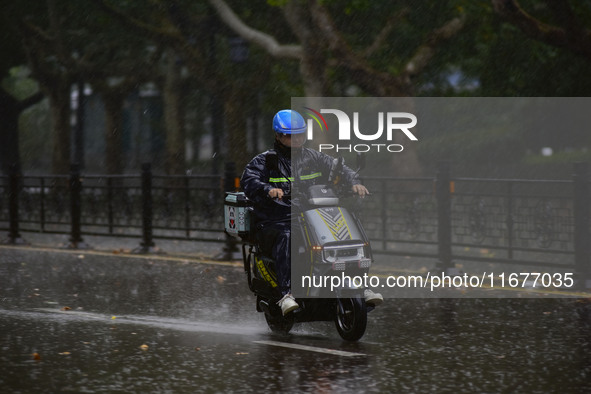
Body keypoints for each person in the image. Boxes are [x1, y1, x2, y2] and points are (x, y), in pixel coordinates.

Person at [240, 109, 383, 315]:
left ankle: (359, 284)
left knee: (348, 229)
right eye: (291, 135)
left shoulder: (314, 157)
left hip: (311, 215)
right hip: (277, 218)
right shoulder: (264, 161)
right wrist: (268, 189)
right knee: (288, 236)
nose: (297, 139)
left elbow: (339, 169)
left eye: (300, 134)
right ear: (278, 136)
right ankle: (286, 294)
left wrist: (354, 183)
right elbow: (249, 179)